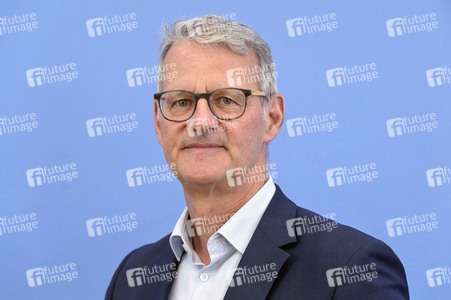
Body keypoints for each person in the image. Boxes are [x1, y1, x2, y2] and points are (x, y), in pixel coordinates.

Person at [106, 15, 409, 299]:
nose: (199, 123)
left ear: (273, 117)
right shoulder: (132, 276)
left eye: (226, 100)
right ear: (159, 124)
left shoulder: (352, 267)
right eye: (181, 102)